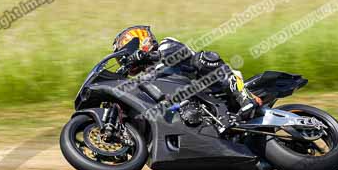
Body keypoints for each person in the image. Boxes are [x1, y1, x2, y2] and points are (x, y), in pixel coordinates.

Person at [112, 25, 261, 132]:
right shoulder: (146, 77)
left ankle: (244, 96)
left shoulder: (166, 45)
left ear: (142, 41)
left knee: (203, 58)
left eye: (127, 54)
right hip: (191, 104)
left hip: (212, 86)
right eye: (123, 58)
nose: (126, 60)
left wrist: (147, 55)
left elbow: (180, 53)